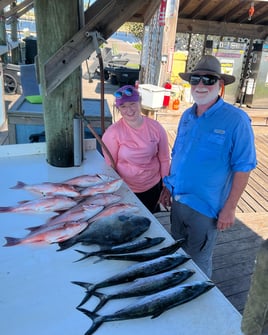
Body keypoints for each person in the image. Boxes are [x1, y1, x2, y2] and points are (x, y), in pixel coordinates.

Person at [160, 55, 257, 277]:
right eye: (195, 79)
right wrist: (168, 186)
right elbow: (178, 155)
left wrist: (230, 208)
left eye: (209, 80)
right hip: (178, 201)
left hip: (206, 208)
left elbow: (244, 167)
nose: (201, 85)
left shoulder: (237, 120)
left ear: (220, 85)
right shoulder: (186, 115)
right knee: (177, 252)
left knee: (199, 261)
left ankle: (199, 299)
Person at [102, 84, 170, 213]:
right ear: (119, 109)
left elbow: (165, 159)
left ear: (140, 102)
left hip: (152, 186)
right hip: (126, 188)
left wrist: (165, 185)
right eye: (123, 106)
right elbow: (110, 165)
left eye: (132, 104)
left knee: (151, 218)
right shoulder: (112, 133)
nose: (129, 110)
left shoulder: (156, 127)